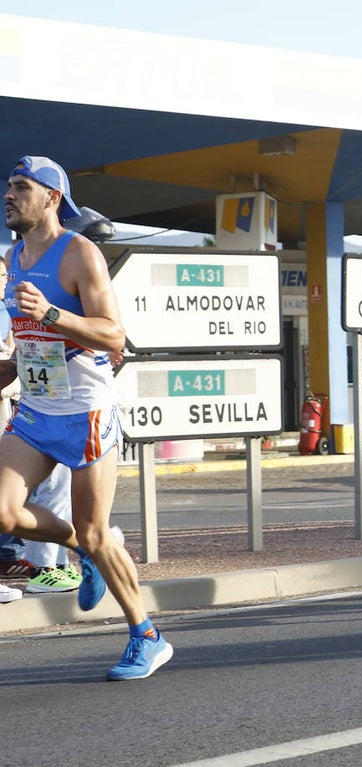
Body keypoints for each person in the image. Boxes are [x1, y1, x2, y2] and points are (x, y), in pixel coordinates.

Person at [0, 156, 172, 680]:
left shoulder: (79, 253)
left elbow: (113, 335)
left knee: (98, 532)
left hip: (86, 412)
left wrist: (51, 313)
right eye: (8, 186)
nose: (9, 195)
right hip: (36, 408)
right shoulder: (13, 256)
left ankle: (148, 636)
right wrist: (9, 367)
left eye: (21, 187)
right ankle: (82, 547)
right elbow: (31, 343)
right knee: (3, 513)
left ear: (52, 198)